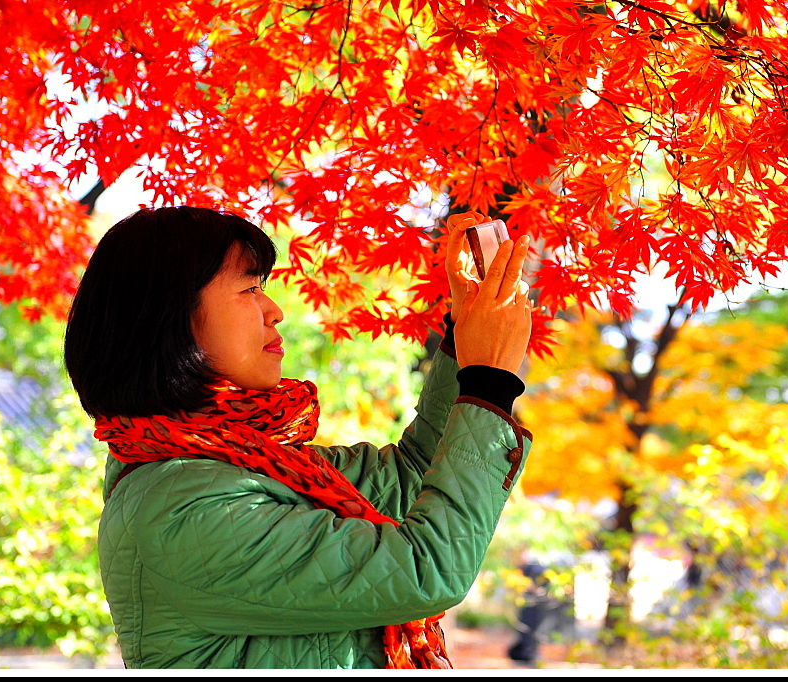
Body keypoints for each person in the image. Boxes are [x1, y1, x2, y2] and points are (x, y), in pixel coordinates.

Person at [63, 205, 534, 669]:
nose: (275, 311)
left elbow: (411, 480)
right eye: (250, 288)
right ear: (168, 319)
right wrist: (487, 382)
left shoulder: (254, 462)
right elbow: (423, 570)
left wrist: (464, 334)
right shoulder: (179, 508)